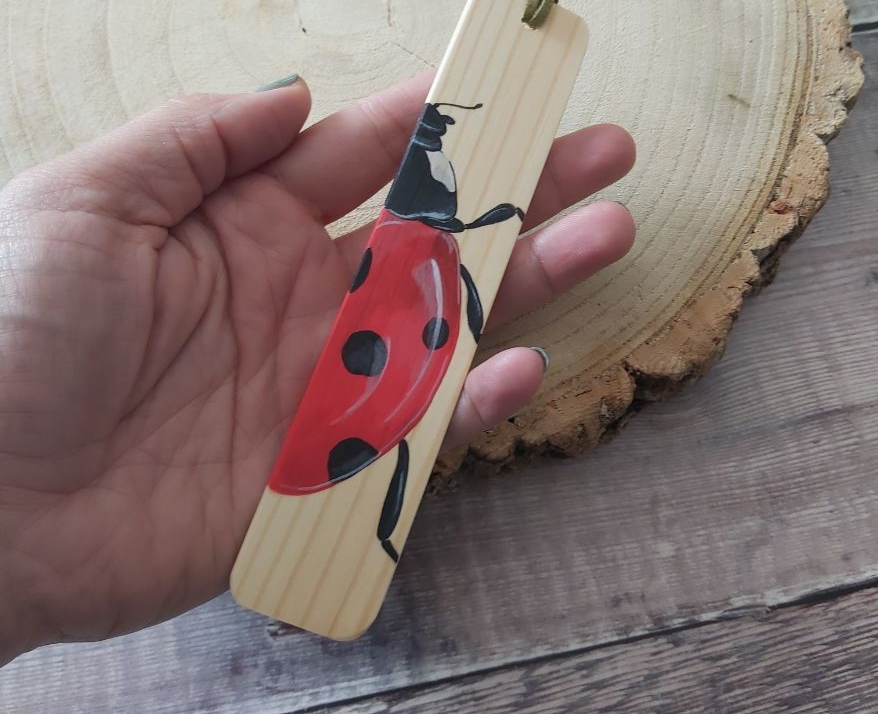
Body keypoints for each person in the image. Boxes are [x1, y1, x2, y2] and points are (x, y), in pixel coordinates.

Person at [0, 72, 635, 665]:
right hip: (367, 387)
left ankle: (378, 532)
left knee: (411, 424)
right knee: (413, 428)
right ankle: (380, 533)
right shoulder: (441, 248)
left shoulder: (423, 244)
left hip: (346, 408)